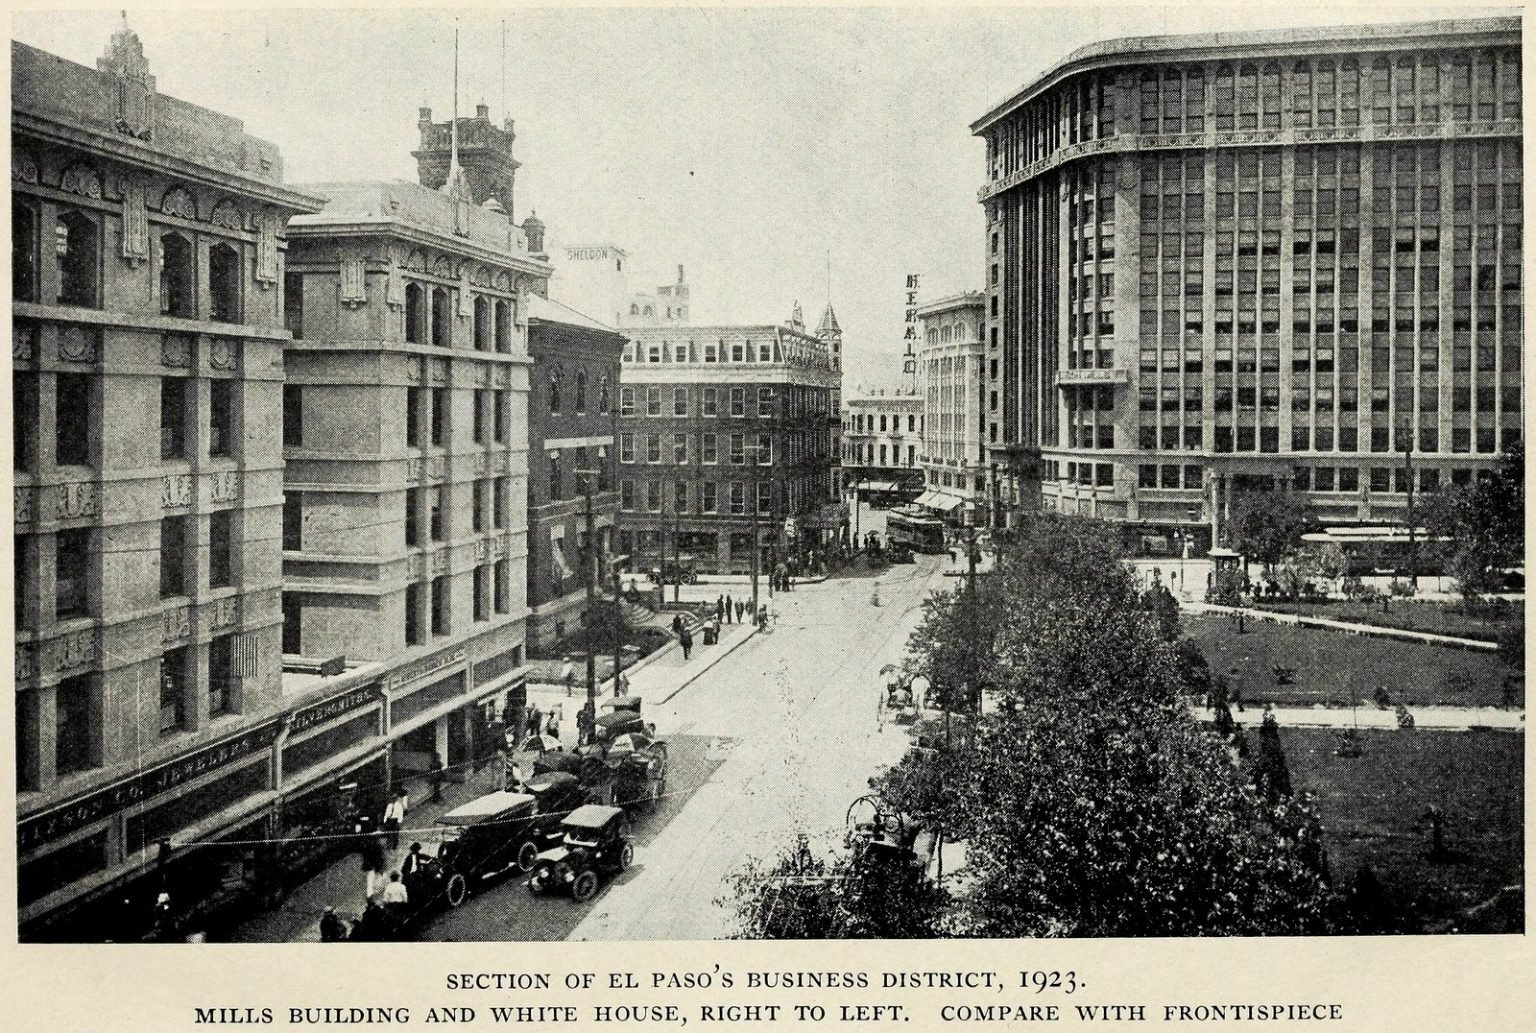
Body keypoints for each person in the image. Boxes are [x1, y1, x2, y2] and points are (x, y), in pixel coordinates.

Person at [356, 815, 385, 899]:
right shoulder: (371, 818)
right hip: (372, 850)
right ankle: (373, 889)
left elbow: (358, 832)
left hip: (369, 850)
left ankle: (371, 891)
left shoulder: (360, 821)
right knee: (376, 870)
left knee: (373, 871)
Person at [382, 786, 408, 850]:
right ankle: (389, 844)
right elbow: (387, 813)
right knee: (389, 833)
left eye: (394, 799)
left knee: (395, 834)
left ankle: (394, 845)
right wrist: (385, 821)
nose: (392, 800)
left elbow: (400, 815)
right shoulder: (389, 805)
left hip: (395, 820)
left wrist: (399, 822)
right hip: (390, 820)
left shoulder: (399, 805)